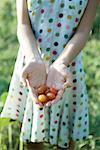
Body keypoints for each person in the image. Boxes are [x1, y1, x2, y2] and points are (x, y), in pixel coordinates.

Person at [0, 0, 99, 149]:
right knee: (32, 134)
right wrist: (34, 58)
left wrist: (61, 63)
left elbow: (84, 30)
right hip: (32, 61)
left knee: (66, 134)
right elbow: (23, 25)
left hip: (67, 67)